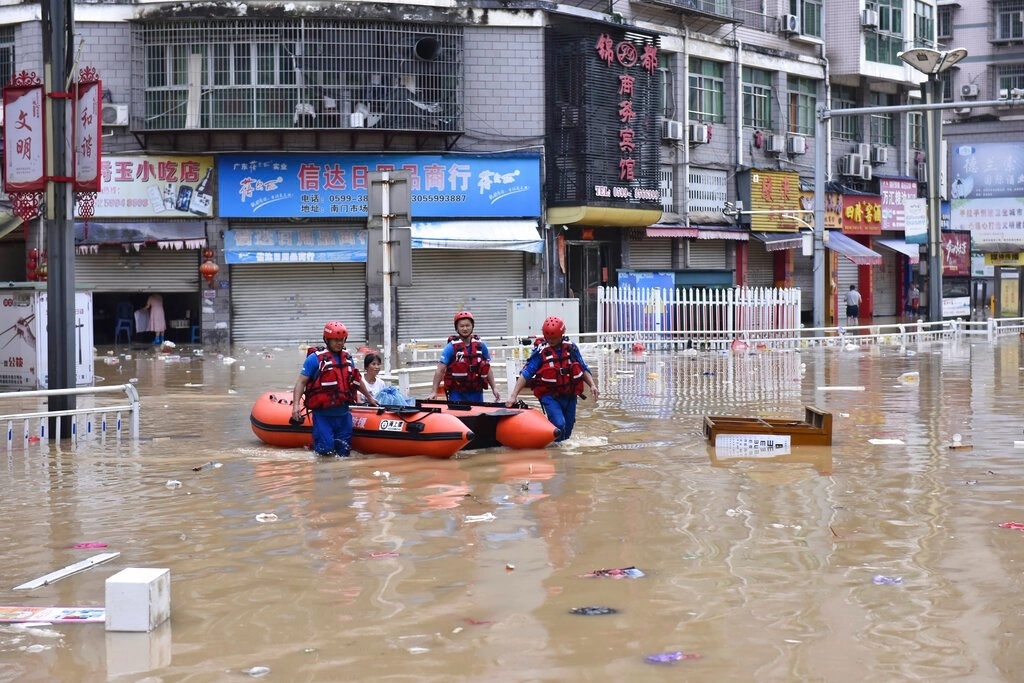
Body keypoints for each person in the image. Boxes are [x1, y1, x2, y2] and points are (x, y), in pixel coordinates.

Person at [291, 321, 378, 457]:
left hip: (343, 415)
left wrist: (369, 398)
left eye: (341, 340)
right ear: (327, 339)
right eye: (335, 340)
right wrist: (295, 405)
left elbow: (357, 380)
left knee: (344, 452)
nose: (339, 343)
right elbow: (301, 382)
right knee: (326, 451)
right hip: (323, 416)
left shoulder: (348, 358)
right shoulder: (315, 359)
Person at [506, 316, 598, 442]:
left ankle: (561, 456)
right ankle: (554, 453)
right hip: (549, 396)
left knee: (567, 432)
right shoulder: (541, 352)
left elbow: (582, 367)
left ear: (562, 334)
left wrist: (592, 385)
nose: (551, 341)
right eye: (548, 338)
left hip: (569, 395)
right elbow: (526, 373)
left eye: (554, 338)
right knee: (559, 425)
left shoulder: (571, 348)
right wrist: (514, 395)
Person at [427, 310, 501, 403]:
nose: (465, 329)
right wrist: (434, 391)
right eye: (462, 326)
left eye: (467, 325)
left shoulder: (481, 346)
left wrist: (494, 388)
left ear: (472, 327)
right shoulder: (450, 348)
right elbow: (440, 369)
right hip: (457, 393)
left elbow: (487, 368)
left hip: (476, 392)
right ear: (457, 328)